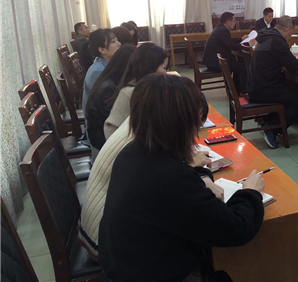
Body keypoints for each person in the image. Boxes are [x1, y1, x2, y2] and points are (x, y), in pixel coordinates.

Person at [98, 74, 265, 281]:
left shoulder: (133, 151)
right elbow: (235, 229)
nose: (196, 132)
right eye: (195, 123)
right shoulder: (168, 177)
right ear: (179, 124)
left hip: (126, 264)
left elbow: (183, 187)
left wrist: (202, 177)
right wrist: (250, 192)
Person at [79, 87, 216, 261]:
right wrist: (199, 174)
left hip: (104, 229)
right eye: (191, 123)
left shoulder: (142, 129)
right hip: (106, 243)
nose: (192, 133)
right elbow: (222, 224)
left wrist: (194, 171)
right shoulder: (145, 151)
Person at [247, 15, 298, 149]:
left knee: (290, 92)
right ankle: (271, 127)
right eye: (290, 34)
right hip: (264, 89)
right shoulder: (277, 41)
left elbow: (274, 59)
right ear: (286, 29)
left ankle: (269, 120)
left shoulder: (266, 36)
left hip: (255, 86)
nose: (289, 37)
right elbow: (293, 65)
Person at [104, 43, 169, 140]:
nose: (165, 73)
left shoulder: (144, 88)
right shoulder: (131, 93)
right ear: (150, 67)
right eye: (164, 68)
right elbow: (111, 131)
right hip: (124, 145)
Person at [85, 45, 135, 161]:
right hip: (105, 149)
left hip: (108, 143)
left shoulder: (112, 80)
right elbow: (116, 126)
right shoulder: (108, 88)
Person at [203, 12, 247, 94]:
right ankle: (243, 92)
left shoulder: (220, 28)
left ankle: (237, 90)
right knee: (242, 67)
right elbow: (232, 46)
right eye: (234, 21)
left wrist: (241, 39)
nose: (235, 23)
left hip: (213, 61)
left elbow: (229, 42)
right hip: (215, 63)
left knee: (239, 64)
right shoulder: (222, 30)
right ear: (228, 22)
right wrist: (246, 45)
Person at [82, 29, 120, 114]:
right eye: (113, 41)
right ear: (102, 50)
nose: (119, 44)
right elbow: (104, 104)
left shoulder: (106, 64)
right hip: (98, 119)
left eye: (117, 40)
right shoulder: (97, 71)